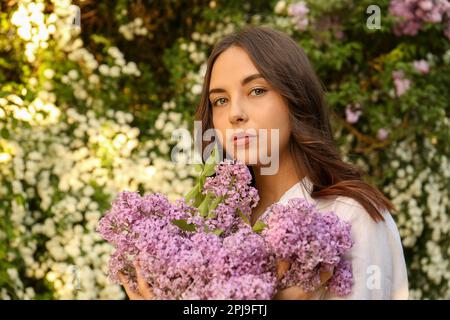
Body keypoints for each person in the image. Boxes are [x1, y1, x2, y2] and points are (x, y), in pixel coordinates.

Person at [120, 25, 409, 300]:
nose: (235, 113)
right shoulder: (209, 226)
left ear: (295, 97)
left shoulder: (351, 217)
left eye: (256, 90)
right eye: (220, 100)